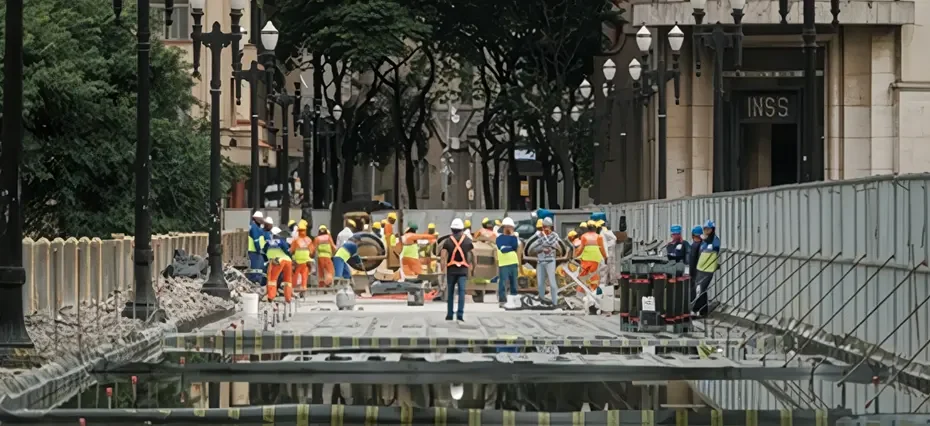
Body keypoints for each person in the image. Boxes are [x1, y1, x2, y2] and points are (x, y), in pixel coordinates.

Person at [440, 218, 474, 321]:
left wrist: (443, 270)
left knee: (450, 293)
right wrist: (472, 269)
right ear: (462, 229)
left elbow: (443, 257)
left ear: (452, 229)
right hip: (463, 271)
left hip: (451, 271)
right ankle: (460, 314)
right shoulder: (468, 241)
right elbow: (473, 255)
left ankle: (449, 314)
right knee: (461, 292)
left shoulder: (447, 241)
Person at [693, 220, 721, 317]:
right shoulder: (704, 241)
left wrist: (706, 240)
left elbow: (715, 248)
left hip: (708, 269)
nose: (706, 231)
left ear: (712, 229)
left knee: (700, 289)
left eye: (708, 229)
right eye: (705, 229)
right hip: (700, 268)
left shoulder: (714, 240)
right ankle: (702, 311)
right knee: (701, 290)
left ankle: (696, 309)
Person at [532, 217, 561, 305]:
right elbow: (532, 249)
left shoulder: (555, 236)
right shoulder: (538, 236)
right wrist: (542, 249)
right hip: (540, 261)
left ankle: (555, 302)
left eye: (548, 227)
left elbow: (560, 248)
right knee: (540, 284)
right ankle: (542, 300)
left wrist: (554, 248)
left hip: (550, 261)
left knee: (552, 283)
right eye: (545, 227)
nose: (547, 229)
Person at [574, 220, 607, 292]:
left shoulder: (584, 236)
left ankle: (580, 292)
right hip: (595, 260)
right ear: (595, 228)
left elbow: (581, 249)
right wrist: (605, 257)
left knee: (583, 277)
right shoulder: (599, 237)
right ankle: (593, 292)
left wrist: (575, 256)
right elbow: (602, 249)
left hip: (585, 260)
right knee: (593, 276)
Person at [496, 217, 520, 308]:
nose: (509, 229)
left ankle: (513, 300)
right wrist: (509, 248)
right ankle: (502, 301)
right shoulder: (499, 238)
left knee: (514, 282)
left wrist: (508, 247)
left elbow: (514, 247)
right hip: (503, 264)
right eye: (508, 227)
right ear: (504, 227)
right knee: (503, 282)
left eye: (511, 227)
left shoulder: (514, 238)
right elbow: (502, 249)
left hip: (513, 263)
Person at [265, 227, 293, 303]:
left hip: (277, 260)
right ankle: (288, 298)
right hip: (288, 261)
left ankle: (271, 296)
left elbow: (264, 251)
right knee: (288, 281)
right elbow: (287, 251)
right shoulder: (282, 241)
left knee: (272, 279)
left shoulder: (269, 242)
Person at [290, 220, 315, 292]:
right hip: (306, 262)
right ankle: (303, 290)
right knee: (304, 276)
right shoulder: (308, 240)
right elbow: (312, 252)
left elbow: (292, 251)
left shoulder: (296, 240)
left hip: (297, 262)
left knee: (296, 276)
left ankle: (295, 289)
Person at [247, 211, 267, 284]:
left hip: (257, 252)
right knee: (256, 270)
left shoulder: (255, 226)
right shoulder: (254, 227)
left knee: (259, 269)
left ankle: (257, 282)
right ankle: (254, 282)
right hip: (255, 252)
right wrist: (259, 249)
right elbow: (256, 239)